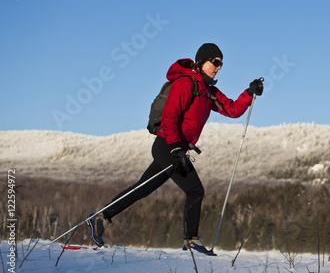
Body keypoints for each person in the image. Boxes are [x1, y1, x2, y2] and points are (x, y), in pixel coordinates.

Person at [87, 43, 263, 255]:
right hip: (167, 146)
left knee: (142, 188)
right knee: (195, 189)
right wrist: (175, 148)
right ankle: (191, 241)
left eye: (221, 63)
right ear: (201, 62)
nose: (219, 67)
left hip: (175, 148)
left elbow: (232, 110)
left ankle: (101, 217)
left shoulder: (208, 91)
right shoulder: (186, 83)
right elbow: (170, 116)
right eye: (215, 62)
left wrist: (249, 93)